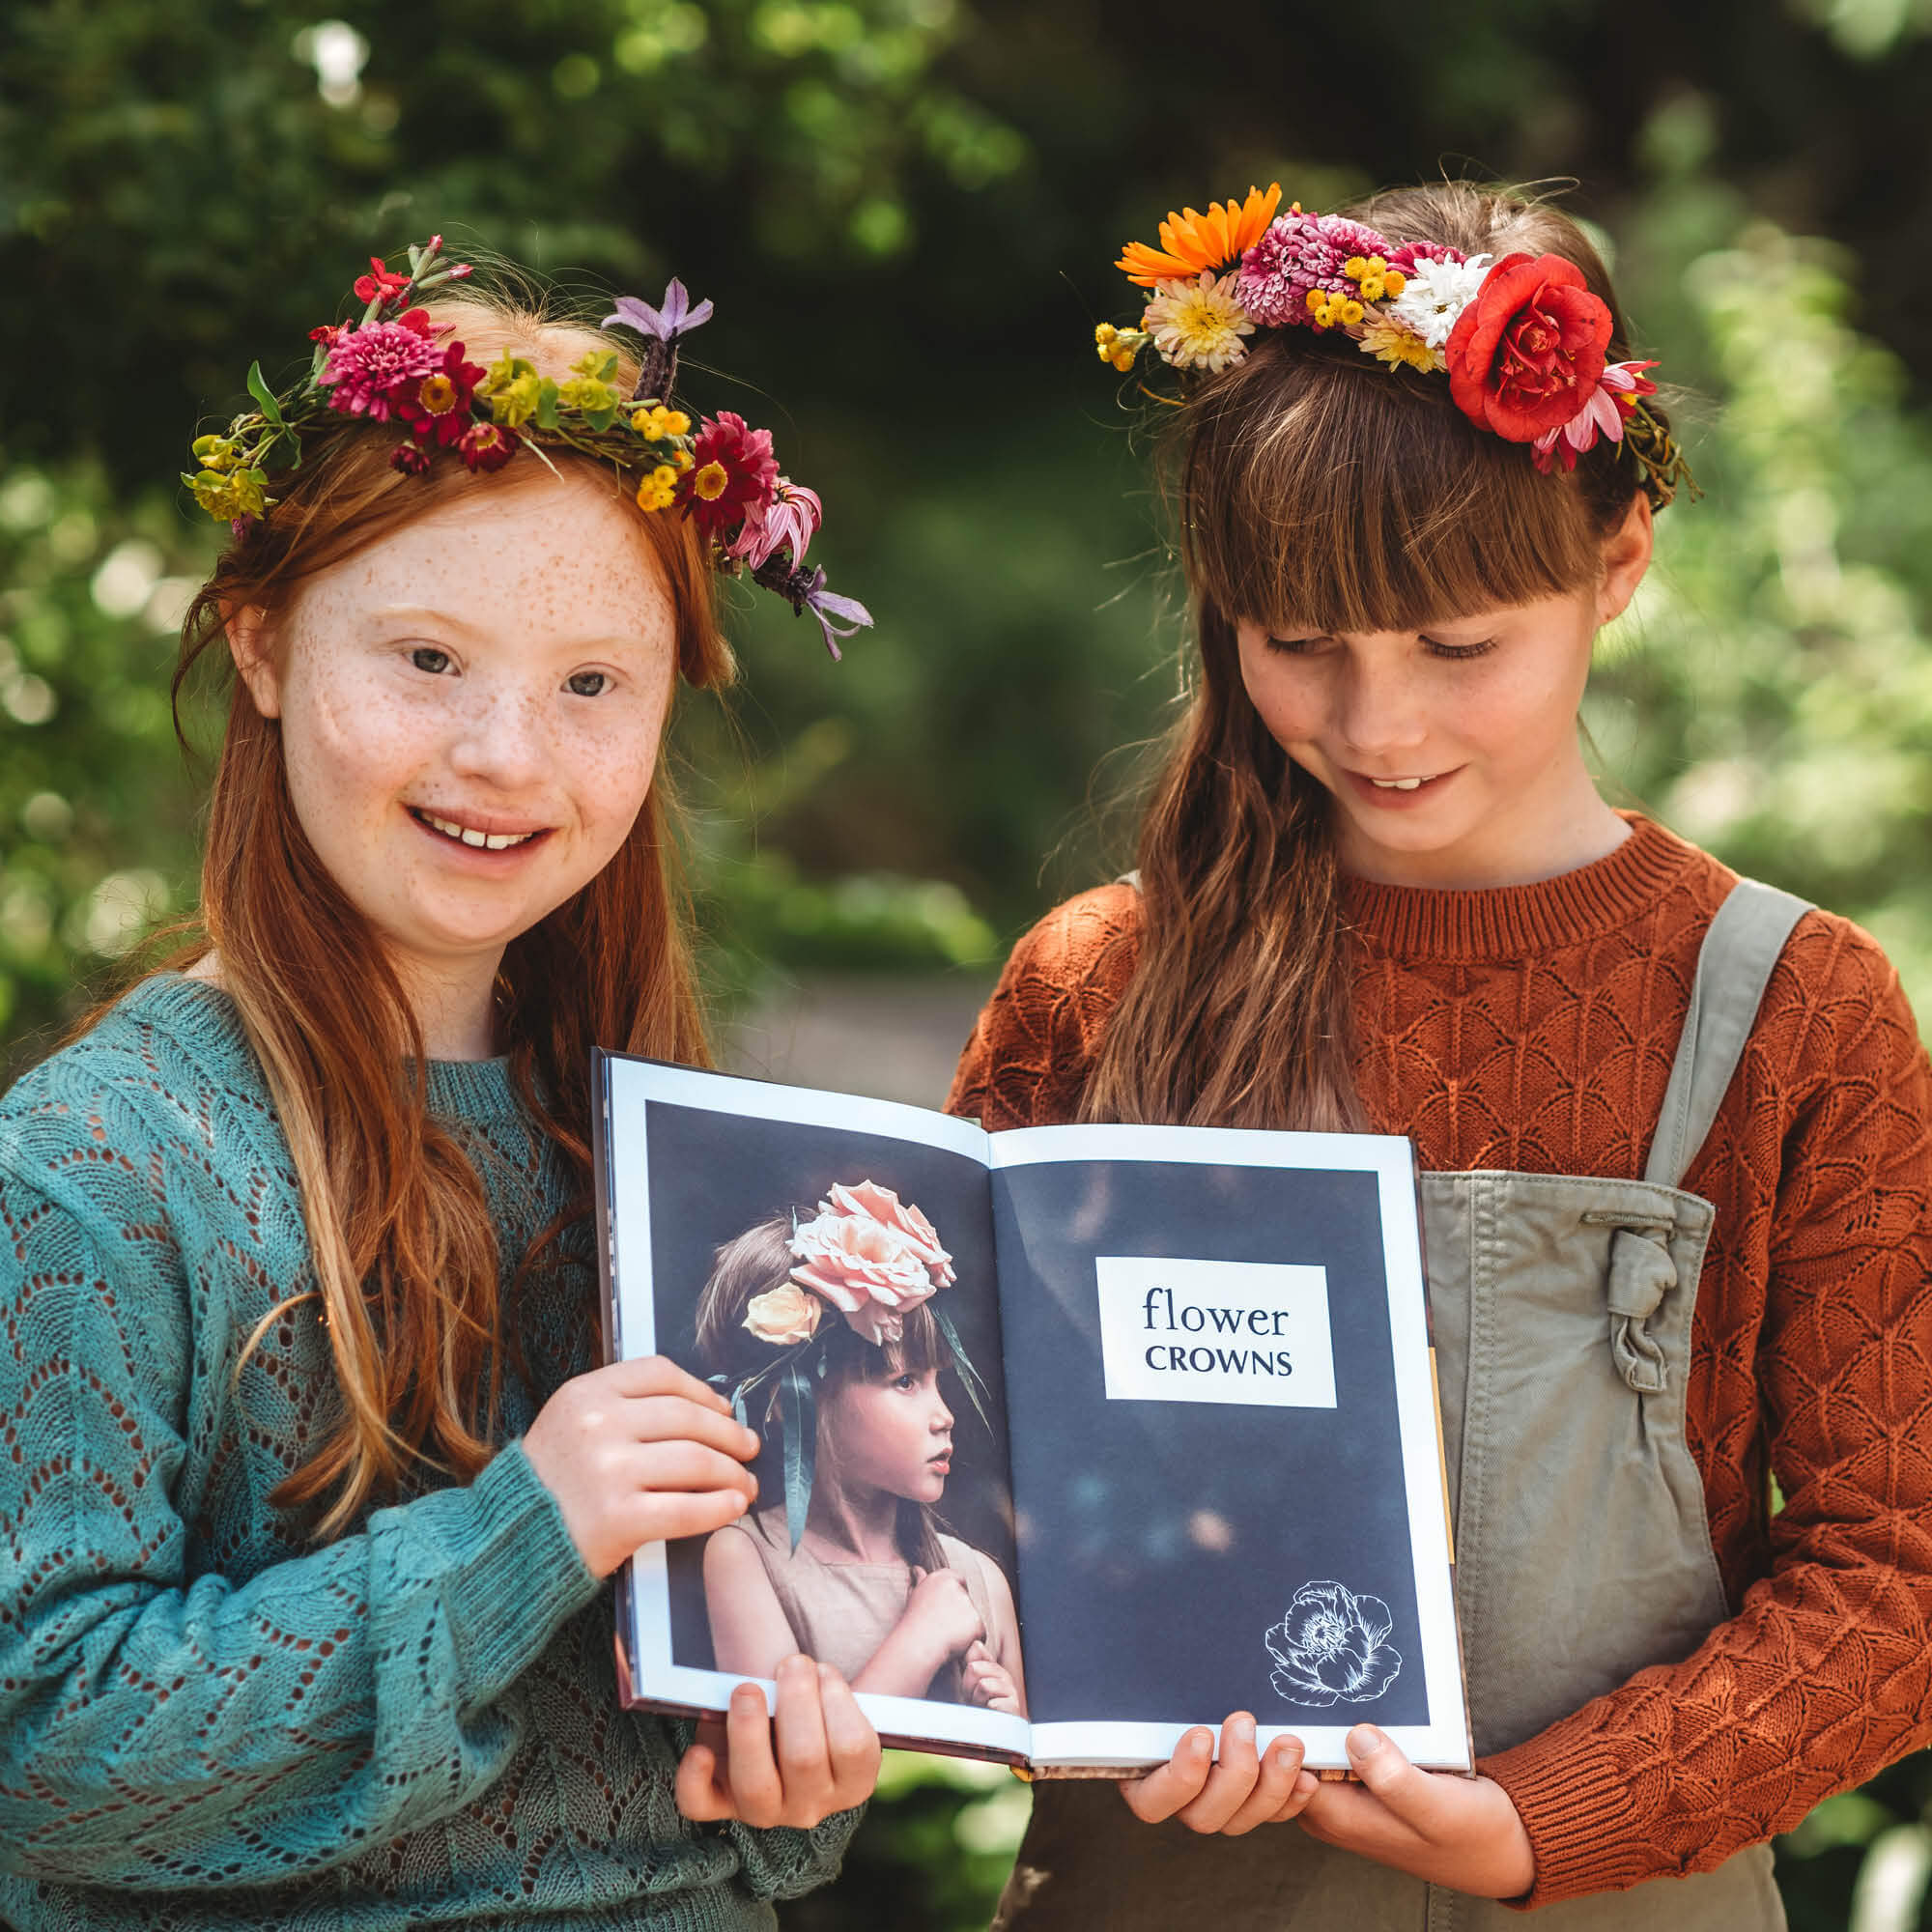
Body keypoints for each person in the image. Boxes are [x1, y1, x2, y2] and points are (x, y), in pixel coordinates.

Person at [948, 180, 1932, 1926]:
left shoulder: (1797, 1009)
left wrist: (1548, 1821)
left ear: (1617, 566)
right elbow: (946, 1485)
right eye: (1299, 643)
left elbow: (1897, 1571)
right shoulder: (1099, 987)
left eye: (1459, 646)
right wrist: (1058, 1693)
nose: (1377, 723)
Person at [0, 240, 880, 1930]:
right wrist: (523, 1534)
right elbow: (42, 1744)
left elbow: (692, 1732)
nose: (505, 756)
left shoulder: (673, 1156)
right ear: (257, 646)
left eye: (591, 687)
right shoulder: (96, 1164)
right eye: (424, 660)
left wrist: (795, 1778)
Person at [695, 1183, 1027, 1716]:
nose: (945, 1417)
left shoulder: (979, 1579)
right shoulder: (749, 1556)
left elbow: (1007, 1791)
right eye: (905, 1381)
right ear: (789, 1399)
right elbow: (787, 1768)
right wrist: (920, 1642)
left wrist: (1003, 1727)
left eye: (939, 1382)